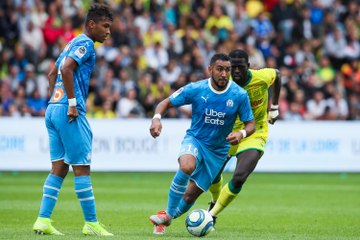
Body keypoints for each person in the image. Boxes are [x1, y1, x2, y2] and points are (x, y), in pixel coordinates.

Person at [148, 53, 256, 234]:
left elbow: (251, 124)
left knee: (190, 195)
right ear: (210, 69)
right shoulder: (197, 88)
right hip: (196, 140)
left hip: (218, 152)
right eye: (220, 69)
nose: (224, 74)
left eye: (227, 70)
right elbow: (165, 103)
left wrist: (241, 133)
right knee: (187, 166)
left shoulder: (239, 94)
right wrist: (156, 119)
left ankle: (166, 218)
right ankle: (167, 214)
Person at [32, 4, 113, 236]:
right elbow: (67, 70)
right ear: (91, 24)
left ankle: (43, 220)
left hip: (53, 110)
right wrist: (71, 103)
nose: (108, 31)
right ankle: (91, 223)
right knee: (82, 167)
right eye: (105, 26)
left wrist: (55, 102)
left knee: (58, 167)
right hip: (69, 111)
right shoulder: (86, 43)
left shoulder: (71, 43)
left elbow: (52, 73)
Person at [207, 49, 281, 224]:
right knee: (212, 175)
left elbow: (277, 75)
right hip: (228, 134)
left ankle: (211, 215)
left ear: (248, 66)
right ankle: (215, 201)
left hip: (254, 132)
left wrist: (275, 106)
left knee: (239, 177)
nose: (237, 71)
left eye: (241, 67)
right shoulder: (224, 83)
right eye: (234, 68)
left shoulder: (261, 77)